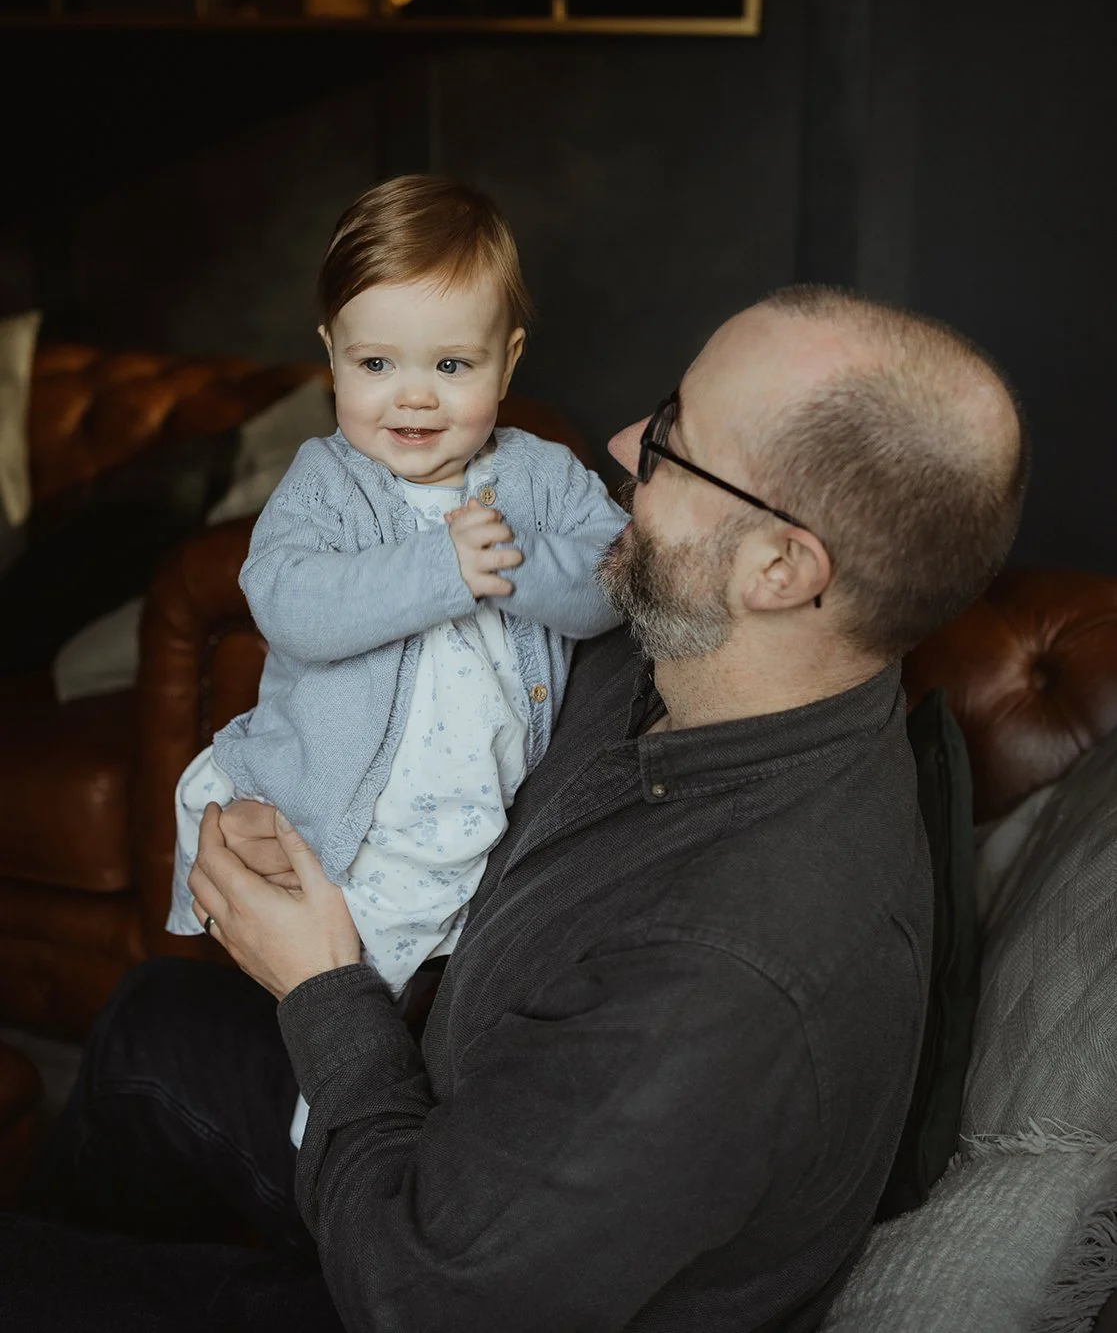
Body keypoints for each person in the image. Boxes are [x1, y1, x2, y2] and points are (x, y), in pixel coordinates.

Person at [7, 283, 1028, 1333]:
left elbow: (423, 1294)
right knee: (148, 1025)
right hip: (455, 1123)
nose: (625, 441)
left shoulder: (727, 974)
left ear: (777, 567)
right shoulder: (677, 656)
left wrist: (319, 978)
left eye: (674, 439)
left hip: (423, 1272)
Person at [165, 174, 626, 1140]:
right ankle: (333, 1102)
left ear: (508, 361)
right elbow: (288, 603)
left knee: (454, 985)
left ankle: (396, 1113)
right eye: (376, 362)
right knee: (343, 951)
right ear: (331, 354)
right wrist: (438, 569)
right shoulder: (326, 481)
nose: (412, 396)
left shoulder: (537, 474)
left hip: (475, 810)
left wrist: (510, 567)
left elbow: (610, 580)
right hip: (350, 802)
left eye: (452, 364)